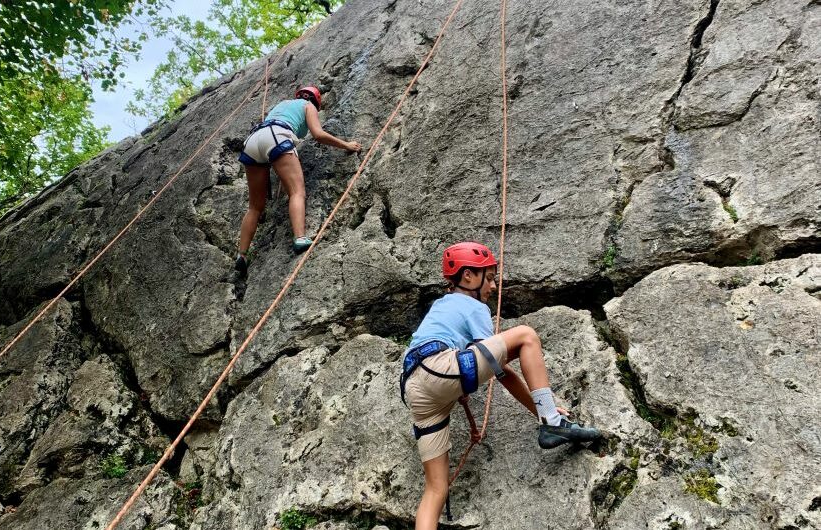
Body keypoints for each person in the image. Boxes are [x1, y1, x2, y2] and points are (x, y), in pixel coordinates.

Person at [400, 241, 603, 529]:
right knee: (526, 336)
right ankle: (553, 421)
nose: (494, 287)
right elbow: (502, 371)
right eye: (491, 277)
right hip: (438, 368)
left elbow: (482, 365)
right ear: (468, 276)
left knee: (436, 489)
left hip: (415, 388)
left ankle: (550, 419)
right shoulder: (472, 305)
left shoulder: (441, 307)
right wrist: (545, 412)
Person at [235, 86, 362, 273]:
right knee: (297, 191)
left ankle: (242, 255)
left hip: (253, 141)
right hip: (277, 137)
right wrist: (346, 145)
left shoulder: (282, 104)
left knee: (255, 207)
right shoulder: (307, 106)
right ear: (316, 101)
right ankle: (300, 238)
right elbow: (318, 134)